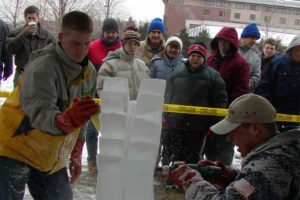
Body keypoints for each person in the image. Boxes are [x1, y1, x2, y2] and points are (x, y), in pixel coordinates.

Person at [0, 11, 99, 200]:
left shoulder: (89, 73)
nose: (82, 50)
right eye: (76, 43)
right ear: (61, 38)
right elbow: (39, 111)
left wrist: (77, 149)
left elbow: (84, 113)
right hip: (14, 146)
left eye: (86, 43)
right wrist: (64, 120)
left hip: (48, 154)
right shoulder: (43, 66)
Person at [168, 93, 300, 199]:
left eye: (233, 131)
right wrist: (230, 176)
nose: (229, 138)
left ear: (255, 129)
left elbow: (261, 178)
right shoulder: (286, 151)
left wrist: (192, 183)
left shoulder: (269, 167)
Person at [161, 43, 228, 165]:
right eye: (193, 55)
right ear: (189, 56)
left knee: (192, 158)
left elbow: (220, 101)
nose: (195, 59)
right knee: (175, 155)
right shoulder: (176, 72)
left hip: (198, 128)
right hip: (176, 125)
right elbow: (167, 96)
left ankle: (190, 181)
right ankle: (172, 180)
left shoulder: (213, 76)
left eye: (199, 56)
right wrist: (167, 116)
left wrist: (213, 123)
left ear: (204, 58)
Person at [207, 27, 249, 165]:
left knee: (225, 146)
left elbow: (241, 90)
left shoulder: (241, 63)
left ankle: (223, 175)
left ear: (232, 43)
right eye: (219, 42)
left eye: (225, 42)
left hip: (228, 113)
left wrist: (229, 108)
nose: (221, 45)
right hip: (209, 111)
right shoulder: (211, 59)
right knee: (210, 146)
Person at [86, 18, 121, 173]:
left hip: (115, 95)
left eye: (114, 32)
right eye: (108, 32)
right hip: (94, 94)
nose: (111, 35)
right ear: (103, 32)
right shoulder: (92, 47)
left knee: (113, 130)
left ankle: (110, 159)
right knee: (92, 129)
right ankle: (92, 160)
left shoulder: (121, 48)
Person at [256, 35, 300, 131]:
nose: (298, 52)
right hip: (275, 117)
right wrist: (268, 107)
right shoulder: (277, 63)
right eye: (297, 49)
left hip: (297, 120)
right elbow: (264, 87)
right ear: (291, 49)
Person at [5, 5, 56, 87]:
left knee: (39, 99)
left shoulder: (47, 35)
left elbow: (56, 53)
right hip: (21, 72)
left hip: (41, 74)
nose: (31, 20)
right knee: (18, 98)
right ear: (25, 18)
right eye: (29, 18)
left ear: (38, 18)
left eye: (34, 18)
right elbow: (9, 49)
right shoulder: (16, 32)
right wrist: (22, 36)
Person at [97, 26, 150, 100]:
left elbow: (147, 89)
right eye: (129, 43)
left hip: (137, 110)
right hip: (117, 110)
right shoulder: (109, 65)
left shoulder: (142, 65)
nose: (132, 47)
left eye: (135, 44)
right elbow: (101, 88)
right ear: (123, 44)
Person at [238, 23, 261, 93]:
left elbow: (256, 76)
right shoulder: (231, 49)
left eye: (256, 39)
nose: (254, 41)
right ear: (244, 36)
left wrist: (244, 85)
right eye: (252, 37)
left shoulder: (256, 56)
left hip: (245, 94)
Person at [0, 19, 13, 84]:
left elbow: (7, 50)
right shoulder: (2, 25)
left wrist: (9, 68)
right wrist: (9, 68)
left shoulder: (2, 26)